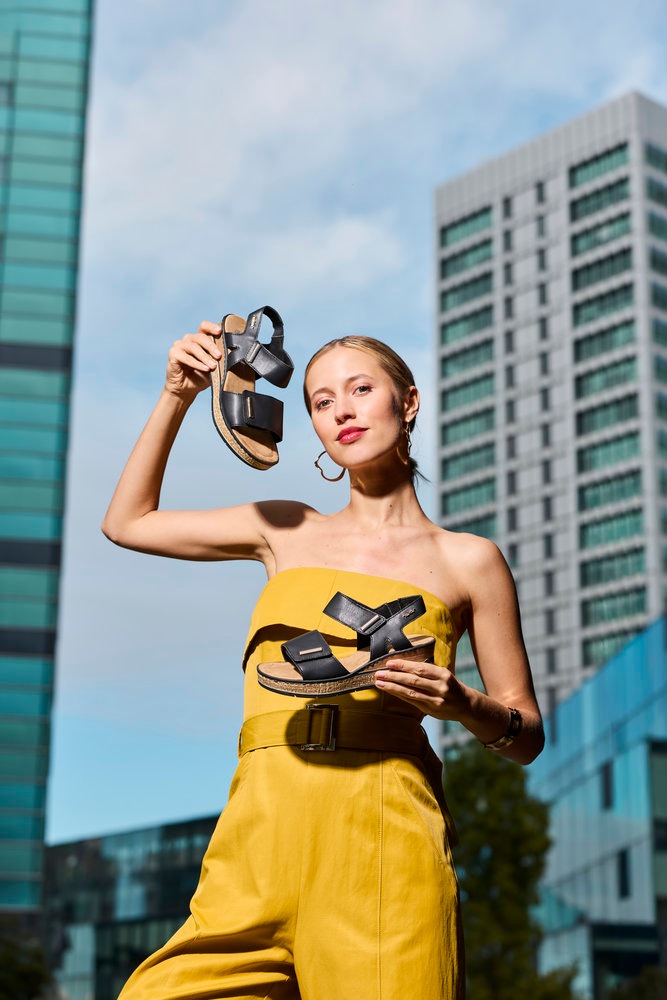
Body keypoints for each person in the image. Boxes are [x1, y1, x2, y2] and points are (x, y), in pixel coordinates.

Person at [102, 319, 544, 1000]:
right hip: (258, 831)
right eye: (319, 399)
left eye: (360, 388)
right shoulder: (283, 526)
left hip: (383, 840)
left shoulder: (469, 560)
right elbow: (128, 521)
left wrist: (462, 704)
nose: (340, 408)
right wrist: (177, 395)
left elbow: (524, 735)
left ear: (408, 401)